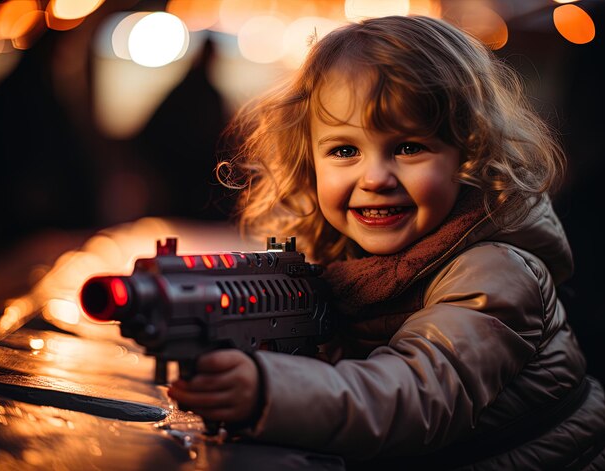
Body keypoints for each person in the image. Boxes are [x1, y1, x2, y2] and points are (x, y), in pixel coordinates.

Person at [167, 15, 605, 469]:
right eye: (344, 151)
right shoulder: (343, 258)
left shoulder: (497, 271)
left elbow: (418, 398)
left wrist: (269, 391)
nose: (375, 178)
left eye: (409, 147)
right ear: (309, 162)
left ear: (470, 155)